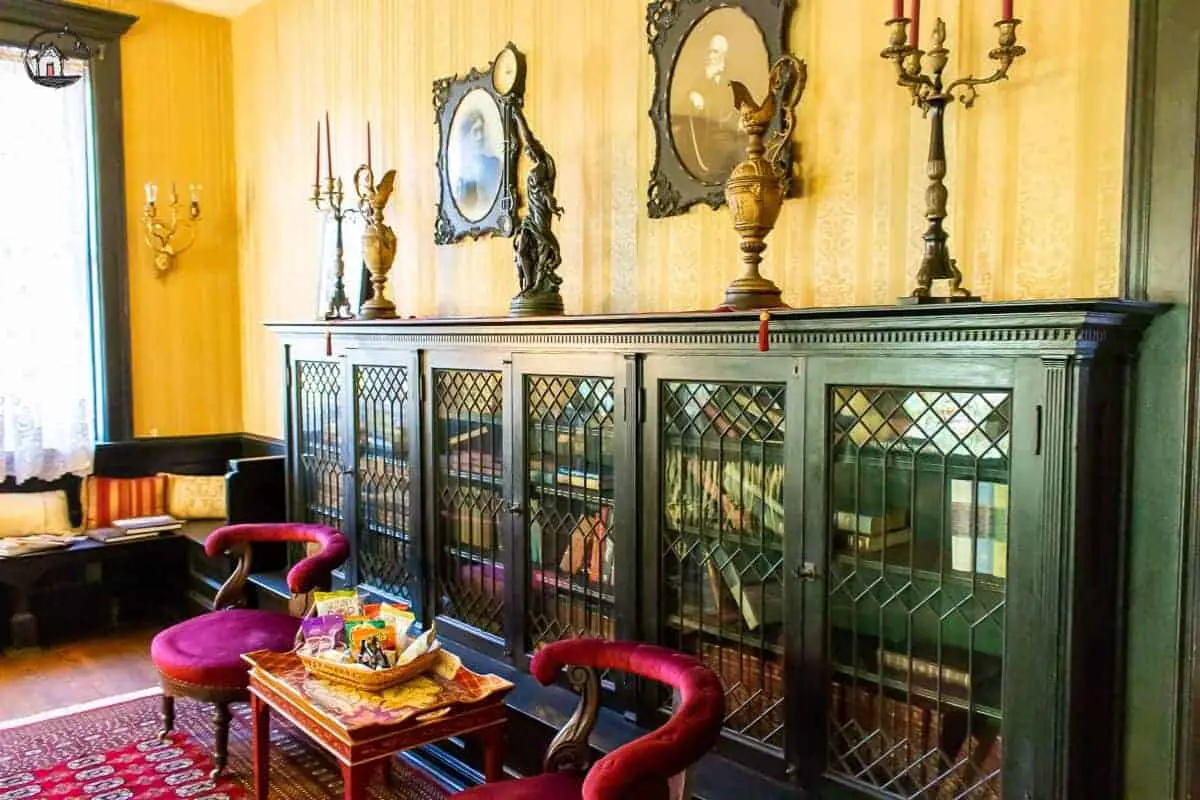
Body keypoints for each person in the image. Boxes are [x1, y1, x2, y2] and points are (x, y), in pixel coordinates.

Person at [674, 33, 744, 184]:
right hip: (705, 139)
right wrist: (691, 96)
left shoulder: (733, 78)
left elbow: (743, 104)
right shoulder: (699, 80)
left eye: (715, 52)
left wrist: (742, 119)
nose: (711, 55)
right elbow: (678, 110)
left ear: (724, 55)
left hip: (729, 135)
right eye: (709, 51)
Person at [451, 105, 501, 220]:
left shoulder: (495, 165)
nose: (480, 137)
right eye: (475, 131)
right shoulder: (458, 174)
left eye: (482, 130)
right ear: (465, 135)